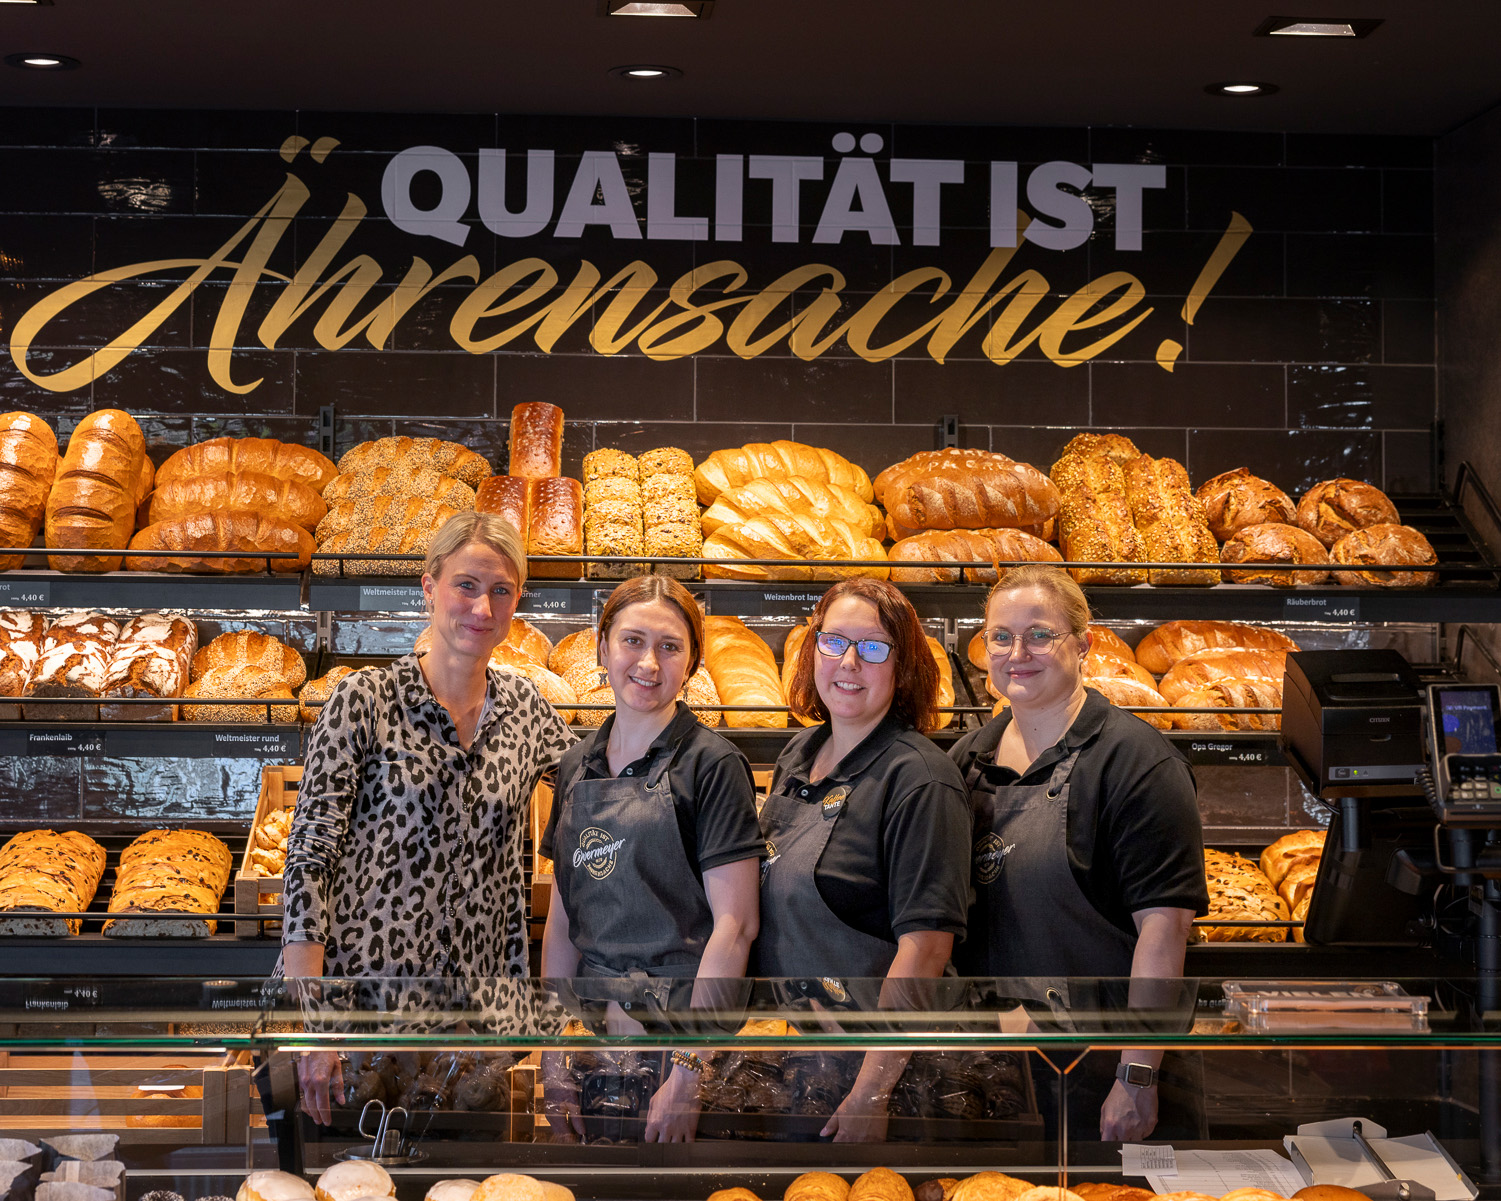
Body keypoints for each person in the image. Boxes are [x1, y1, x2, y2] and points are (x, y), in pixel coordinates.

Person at [278, 510, 575, 1126]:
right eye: (467, 585)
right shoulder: (364, 700)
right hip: (363, 1016)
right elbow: (309, 859)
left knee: (467, 1176)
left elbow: (600, 790)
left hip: (476, 1029)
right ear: (429, 586)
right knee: (350, 1174)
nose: (483, 608)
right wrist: (314, 1026)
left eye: (501, 591)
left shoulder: (525, 709)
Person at [949, 563, 1209, 1142]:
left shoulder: (1137, 762)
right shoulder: (967, 760)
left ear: (1083, 645)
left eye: (1040, 634)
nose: (1018, 653)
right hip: (996, 1068)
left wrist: (1137, 1073)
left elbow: (1165, 931)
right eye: (1000, 636)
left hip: (1104, 1070)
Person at [539, 574, 762, 1143]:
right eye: (632, 641)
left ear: (692, 663)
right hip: (592, 1042)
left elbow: (736, 926)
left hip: (680, 1037)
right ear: (602, 647)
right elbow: (562, 921)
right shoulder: (575, 764)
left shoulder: (712, 765)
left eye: (669, 647)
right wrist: (552, 1053)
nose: (648, 663)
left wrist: (689, 1071)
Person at [758, 577, 972, 1143]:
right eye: (833, 642)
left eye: (874, 647)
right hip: (797, 1062)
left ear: (904, 666)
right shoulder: (800, 753)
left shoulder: (921, 780)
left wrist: (871, 1092)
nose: (849, 662)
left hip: (880, 1075)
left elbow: (926, 950)